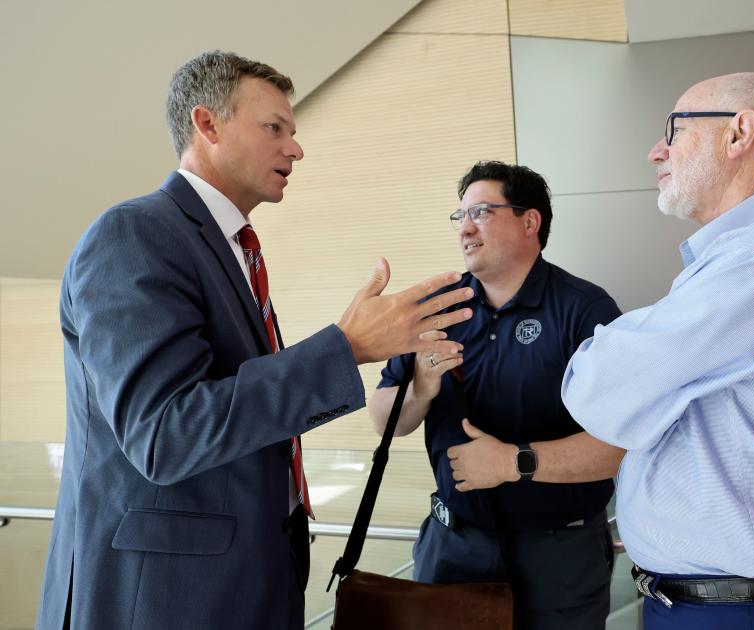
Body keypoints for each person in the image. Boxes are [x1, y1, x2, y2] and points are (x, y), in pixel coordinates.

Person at [36, 51, 473, 630]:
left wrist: (342, 346)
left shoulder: (228, 247)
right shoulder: (135, 233)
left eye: (293, 132)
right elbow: (166, 433)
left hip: (249, 575)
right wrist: (345, 348)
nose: (295, 148)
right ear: (208, 125)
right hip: (166, 598)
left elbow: (234, 402)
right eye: (275, 128)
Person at [562, 72, 754, 629]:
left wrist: (611, 355)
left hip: (745, 611)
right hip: (733, 603)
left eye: (673, 129)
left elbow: (595, 388)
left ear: (739, 133)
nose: (656, 151)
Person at [369, 161, 625, 630]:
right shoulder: (436, 309)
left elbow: (618, 446)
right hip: (454, 548)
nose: (465, 228)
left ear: (531, 222)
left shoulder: (584, 310)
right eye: (460, 216)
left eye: (482, 212)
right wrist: (423, 390)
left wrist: (514, 461)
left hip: (558, 556)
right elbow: (385, 419)